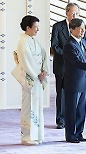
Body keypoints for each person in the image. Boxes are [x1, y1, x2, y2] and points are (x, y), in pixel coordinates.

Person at [51, 2, 86, 129]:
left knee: (76, 94)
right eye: (72, 13)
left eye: (77, 13)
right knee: (61, 93)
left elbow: (84, 44)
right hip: (62, 66)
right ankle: (61, 120)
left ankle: (73, 120)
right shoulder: (57, 26)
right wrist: (68, 55)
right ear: (66, 13)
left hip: (77, 68)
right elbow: (54, 46)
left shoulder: (81, 26)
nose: (74, 15)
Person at [63, 18, 86, 143]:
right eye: (80, 28)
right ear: (72, 29)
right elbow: (77, 63)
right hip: (73, 83)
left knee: (81, 110)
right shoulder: (69, 45)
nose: (83, 31)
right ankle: (70, 135)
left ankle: (79, 133)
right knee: (71, 110)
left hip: (83, 82)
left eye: (84, 28)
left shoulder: (83, 42)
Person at [15, 15, 48, 145]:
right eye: (35, 27)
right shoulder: (23, 41)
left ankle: (37, 135)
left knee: (37, 107)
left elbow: (44, 54)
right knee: (29, 107)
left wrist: (44, 70)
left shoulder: (33, 40)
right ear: (27, 27)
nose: (37, 30)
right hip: (31, 79)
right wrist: (37, 73)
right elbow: (26, 60)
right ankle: (27, 136)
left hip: (38, 78)